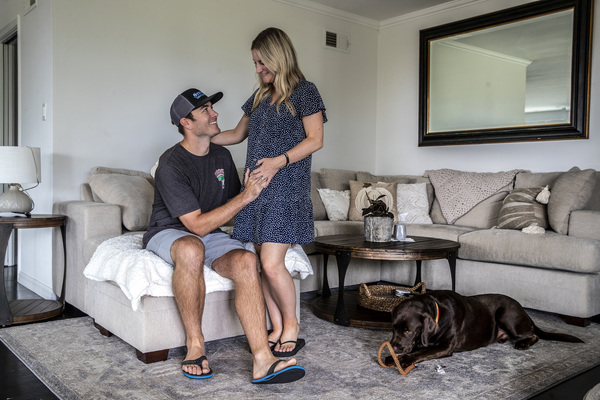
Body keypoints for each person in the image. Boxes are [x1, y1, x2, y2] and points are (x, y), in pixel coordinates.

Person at [143, 87, 305, 384]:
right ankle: (195, 345)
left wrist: (277, 231)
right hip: (169, 231)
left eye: (211, 107)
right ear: (186, 123)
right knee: (191, 248)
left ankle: (263, 359)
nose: (214, 113)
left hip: (210, 233)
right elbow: (197, 226)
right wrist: (246, 196)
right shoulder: (171, 163)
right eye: (204, 110)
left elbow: (234, 206)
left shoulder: (222, 155)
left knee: (246, 260)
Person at [213, 27, 326, 357]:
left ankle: (291, 324)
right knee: (261, 264)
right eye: (255, 63)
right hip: (255, 190)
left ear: (279, 57)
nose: (258, 69)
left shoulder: (305, 92)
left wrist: (278, 162)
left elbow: (315, 140)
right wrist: (199, 138)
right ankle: (275, 326)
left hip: (286, 190)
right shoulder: (260, 96)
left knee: (272, 263)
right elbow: (236, 134)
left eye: (262, 62)